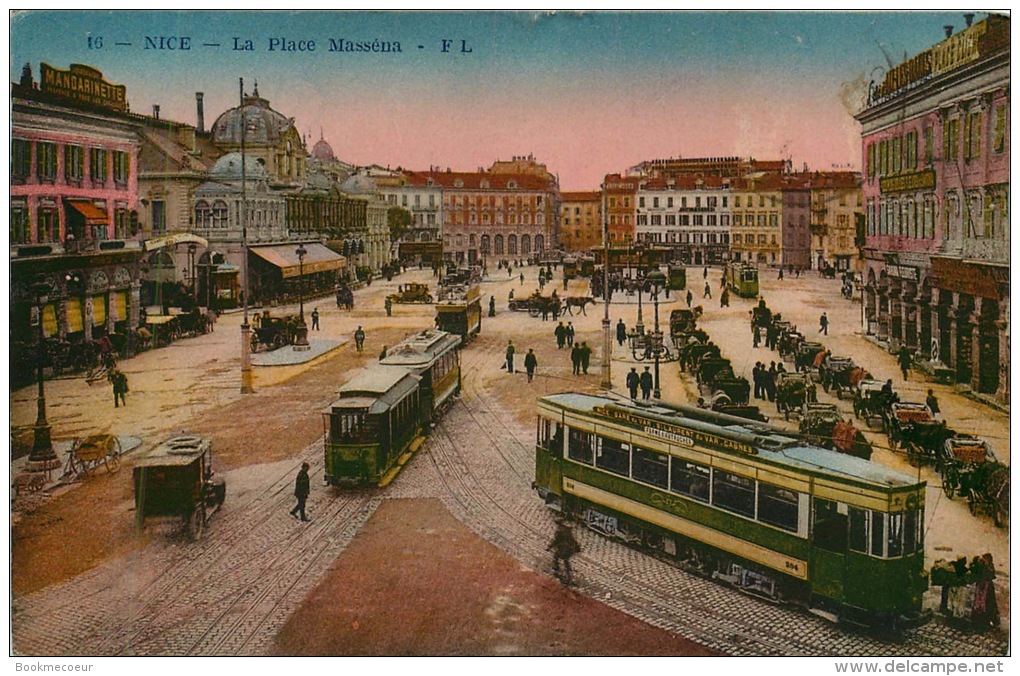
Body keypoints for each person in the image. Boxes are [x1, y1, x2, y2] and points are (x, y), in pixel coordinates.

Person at [548, 517, 580, 584]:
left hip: (564, 548)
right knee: (566, 560)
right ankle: (568, 573)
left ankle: (557, 569)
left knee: (556, 555)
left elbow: (556, 541)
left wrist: (549, 547)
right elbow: (572, 539)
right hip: (570, 549)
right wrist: (577, 548)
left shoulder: (559, 531)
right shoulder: (567, 530)